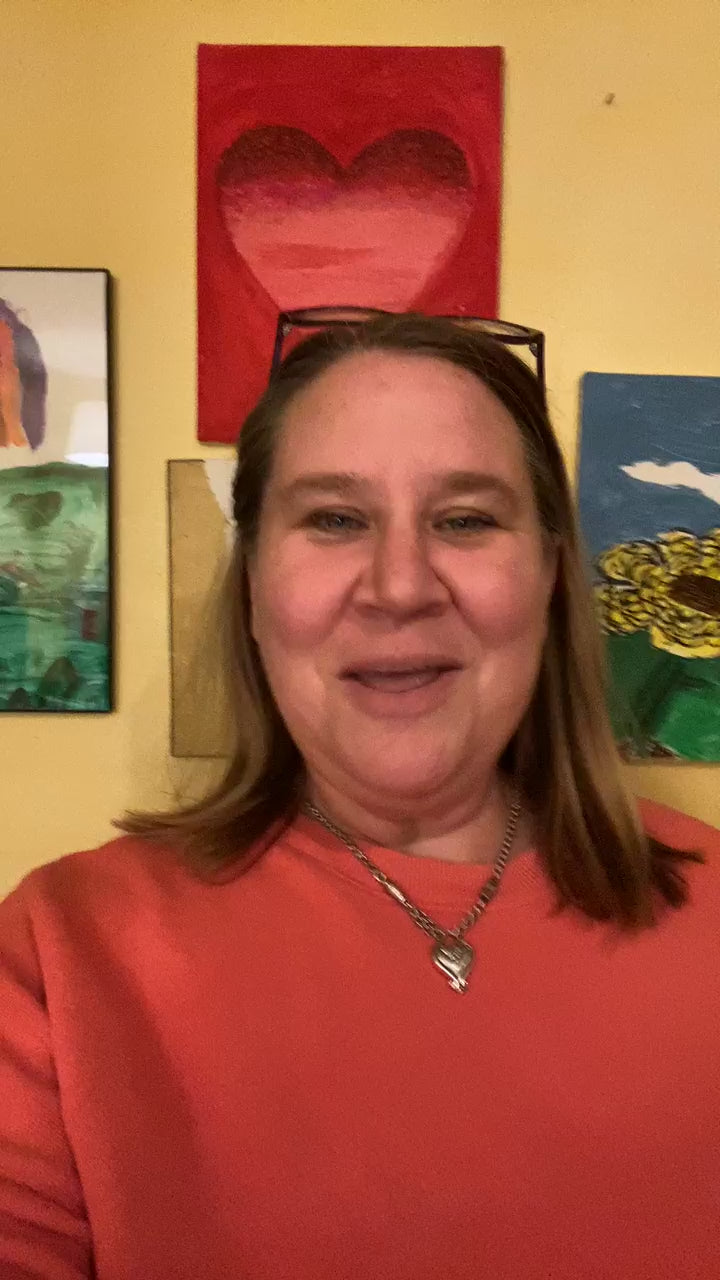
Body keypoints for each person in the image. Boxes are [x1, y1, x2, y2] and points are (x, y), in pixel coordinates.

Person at [1, 313, 718, 1280]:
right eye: (336, 519)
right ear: (254, 583)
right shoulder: (63, 952)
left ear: (550, 576)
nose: (399, 586)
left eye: (466, 519)